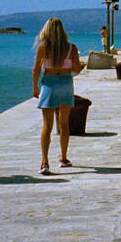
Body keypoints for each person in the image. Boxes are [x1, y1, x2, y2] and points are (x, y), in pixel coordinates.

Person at [32, 17, 84, 174]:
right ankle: (63, 158)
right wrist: (75, 64)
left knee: (47, 126)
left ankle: (44, 162)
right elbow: (77, 69)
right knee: (64, 124)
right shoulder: (71, 48)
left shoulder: (43, 48)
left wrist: (35, 87)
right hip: (65, 84)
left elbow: (36, 69)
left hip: (49, 84)